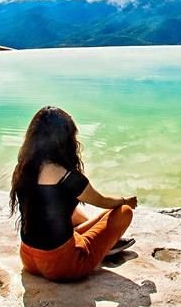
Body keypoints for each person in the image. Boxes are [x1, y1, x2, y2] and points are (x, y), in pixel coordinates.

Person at [10, 106, 138, 281]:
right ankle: (107, 246)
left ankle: (105, 243)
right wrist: (126, 201)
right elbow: (103, 201)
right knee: (123, 212)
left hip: (28, 259)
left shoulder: (24, 169)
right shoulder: (68, 177)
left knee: (71, 212)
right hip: (64, 267)